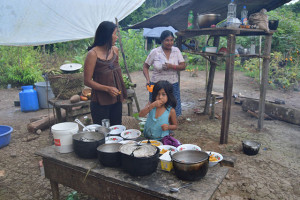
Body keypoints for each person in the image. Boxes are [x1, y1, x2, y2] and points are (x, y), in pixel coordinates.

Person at [84, 21, 127, 126]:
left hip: (116, 99)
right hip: (100, 101)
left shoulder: (115, 50)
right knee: (103, 132)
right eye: (114, 34)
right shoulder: (92, 54)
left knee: (117, 128)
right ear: (107, 35)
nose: (116, 37)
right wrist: (107, 89)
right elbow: (87, 81)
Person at [143, 30, 186, 116]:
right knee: (156, 105)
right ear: (162, 41)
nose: (170, 43)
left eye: (171, 40)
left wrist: (172, 66)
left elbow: (183, 66)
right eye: (167, 40)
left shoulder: (176, 51)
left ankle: (171, 125)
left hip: (172, 83)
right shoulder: (155, 52)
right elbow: (145, 66)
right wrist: (148, 80)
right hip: (157, 84)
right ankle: (156, 124)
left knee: (173, 105)